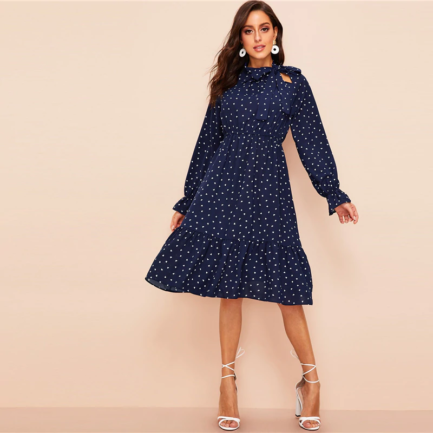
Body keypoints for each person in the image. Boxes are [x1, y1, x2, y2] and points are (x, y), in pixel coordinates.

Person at [145, 1, 359, 431]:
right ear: (240, 39)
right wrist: (187, 200)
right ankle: (227, 384)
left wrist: (333, 193)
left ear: (276, 33)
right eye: (248, 30)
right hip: (223, 192)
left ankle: (311, 382)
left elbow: (312, 141)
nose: (257, 37)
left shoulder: (292, 84)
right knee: (230, 290)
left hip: (269, 194)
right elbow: (207, 144)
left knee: (288, 292)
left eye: (264, 28)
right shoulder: (227, 85)